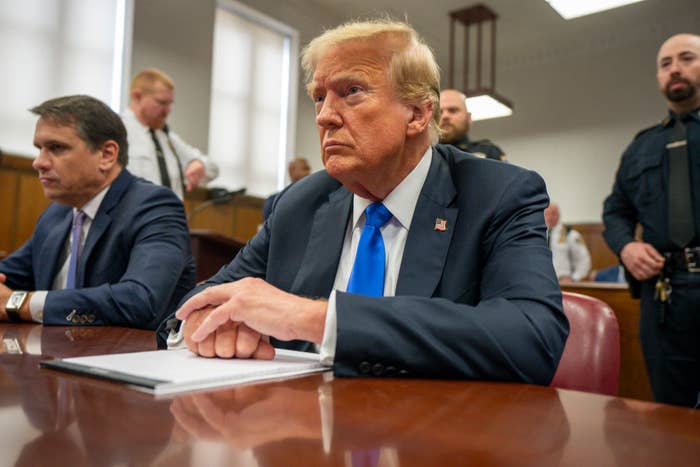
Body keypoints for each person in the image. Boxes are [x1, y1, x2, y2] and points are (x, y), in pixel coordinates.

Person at [170, 19, 567, 385]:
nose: (325, 116)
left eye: (351, 92)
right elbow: (199, 302)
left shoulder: (498, 194)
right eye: (319, 97)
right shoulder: (299, 203)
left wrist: (316, 320)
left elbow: (532, 337)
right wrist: (202, 325)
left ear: (416, 113)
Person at [0, 95, 196, 329]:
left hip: (126, 360)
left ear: (106, 155)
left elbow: (139, 301)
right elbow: (10, 274)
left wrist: (21, 303)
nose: (38, 162)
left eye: (56, 148)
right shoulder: (57, 214)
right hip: (50, 354)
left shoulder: (155, 207)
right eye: (39, 149)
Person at [603, 33, 700, 407]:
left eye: (686, 58)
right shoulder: (641, 146)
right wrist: (626, 246)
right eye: (665, 63)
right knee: (670, 411)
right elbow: (615, 210)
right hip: (664, 296)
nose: (675, 68)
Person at [123, 68, 219, 200]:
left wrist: (198, 164)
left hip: (171, 218)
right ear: (137, 96)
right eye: (161, 102)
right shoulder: (117, 132)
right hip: (135, 218)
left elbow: (213, 168)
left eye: (170, 104)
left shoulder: (167, 139)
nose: (168, 110)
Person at [439, 89, 506, 161]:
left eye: (453, 110)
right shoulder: (428, 154)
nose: (445, 116)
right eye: (439, 112)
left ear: (468, 117)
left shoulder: (489, 153)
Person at [544, 203, 591, 283]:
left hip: (564, 283)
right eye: (547, 214)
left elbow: (584, 260)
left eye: (553, 213)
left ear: (559, 215)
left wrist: (574, 278)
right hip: (544, 281)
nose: (549, 217)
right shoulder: (540, 235)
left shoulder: (570, 235)